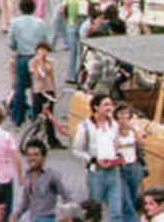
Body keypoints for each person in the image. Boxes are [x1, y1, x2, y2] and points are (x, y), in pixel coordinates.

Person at [70, 94, 122, 222]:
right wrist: (93, 159)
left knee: (116, 210)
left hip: (113, 170)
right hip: (96, 172)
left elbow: (116, 145)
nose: (109, 108)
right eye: (106, 105)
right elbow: (76, 150)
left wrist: (118, 155)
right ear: (96, 107)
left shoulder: (114, 125)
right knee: (95, 210)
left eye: (110, 104)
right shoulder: (85, 127)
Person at [11, 140, 70, 222]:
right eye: (29, 155)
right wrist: (15, 216)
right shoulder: (28, 175)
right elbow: (26, 200)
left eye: (36, 155)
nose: (32, 158)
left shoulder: (51, 176)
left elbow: (67, 197)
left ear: (44, 157)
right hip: (33, 218)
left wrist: (65, 215)